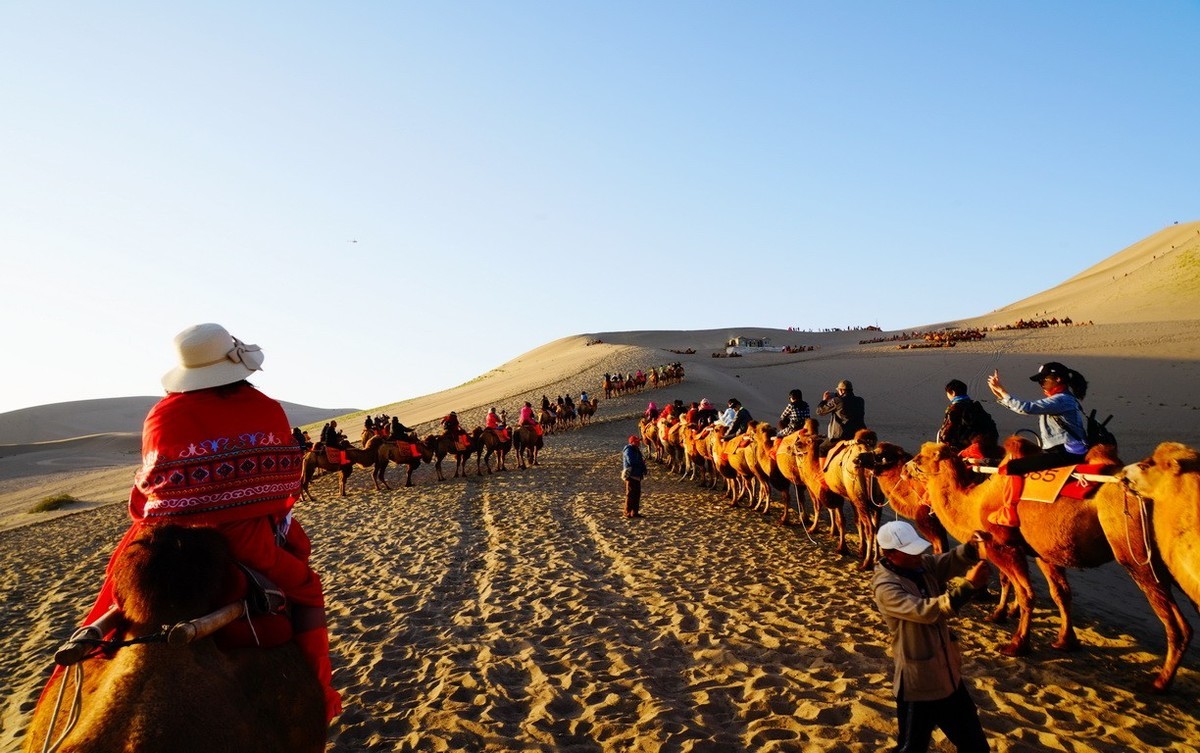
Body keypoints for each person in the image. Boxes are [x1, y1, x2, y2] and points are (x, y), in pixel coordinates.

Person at [66, 323, 340, 722]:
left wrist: (183, 503)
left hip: (168, 535)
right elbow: (286, 482)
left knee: (118, 593)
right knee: (307, 589)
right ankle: (321, 697)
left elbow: (146, 494)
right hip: (247, 539)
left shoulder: (162, 415)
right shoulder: (266, 407)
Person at [873, 521, 991, 753]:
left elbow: (946, 562)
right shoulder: (886, 588)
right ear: (891, 554)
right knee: (910, 748)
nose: (920, 554)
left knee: (976, 746)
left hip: (949, 677)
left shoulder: (921, 565)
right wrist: (969, 587)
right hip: (919, 685)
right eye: (911, 551)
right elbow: (927, 611)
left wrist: (971, 547)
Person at [986, 362, 1089, 528]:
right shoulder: (1061, 399)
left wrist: (1004, 392)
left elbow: (1027, 408)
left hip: (1065, 452)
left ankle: (1009, 512)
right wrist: (1000, 394)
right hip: (1059, 450)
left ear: (1058, 379)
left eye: (1044, 380)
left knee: (1011, 467)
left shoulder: (1062, 400)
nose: (1042, 385)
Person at [937, 379, 999, 453]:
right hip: (986, 447)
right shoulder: (976, 406)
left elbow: (948, 431)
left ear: (953, 393)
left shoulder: (955, 409)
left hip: (964, 450)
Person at [816, 379, 866, 455]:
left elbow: (820, 411)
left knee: (822, 448)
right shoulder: (860, 400)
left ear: (842, 391)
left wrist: (824, 400)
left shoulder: (837, 401)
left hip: (841, 436)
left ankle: (823, 467)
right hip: (858, 434)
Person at [622, 434, 647, 518]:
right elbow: (631, 461)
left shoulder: (636, 450)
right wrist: (641, 464)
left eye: (638, 442)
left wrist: (644, 469)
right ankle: (627, 512)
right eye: (636, 442)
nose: (638, 443)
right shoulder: (628, 450)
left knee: (637, 494)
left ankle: (635, 512)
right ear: (632, 442)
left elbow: (640, 461)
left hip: (637, 475)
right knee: (630, 494)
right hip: (631, 475)